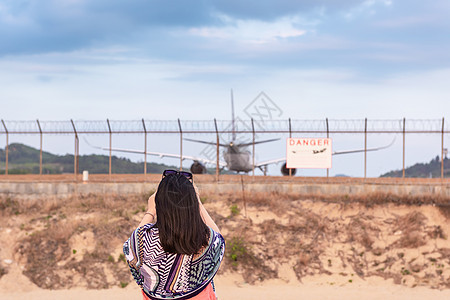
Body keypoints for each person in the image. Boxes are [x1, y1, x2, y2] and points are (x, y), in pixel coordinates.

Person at [123, 170, 225, 300]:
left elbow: (132, 246)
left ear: (158, 202)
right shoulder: (202, 241)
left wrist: (151, 211)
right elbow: (217, 239)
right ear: (192, 203)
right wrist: (197, 202)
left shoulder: (146, 241)